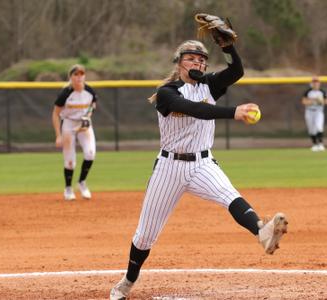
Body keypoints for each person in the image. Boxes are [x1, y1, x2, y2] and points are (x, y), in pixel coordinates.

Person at [110, 40, 288, 300]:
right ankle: (128, 280)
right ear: (179, 62)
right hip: (169, 168)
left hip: (202, 163)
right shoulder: (167, 92)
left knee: (229, 195)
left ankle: (262, 231)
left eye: (202, 59)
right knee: (145, 235)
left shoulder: (209, 85)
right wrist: (233, 112)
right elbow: (195, 109)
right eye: (192, 58)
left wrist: (228, 47)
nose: (198, 63)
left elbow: (236, 71)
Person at [52, 64, 97, 201]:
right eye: (75, 74)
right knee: (70, 161)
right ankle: (68, 189)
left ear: (84, 76)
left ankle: (82, 182)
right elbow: (55, 114)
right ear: (70, 77)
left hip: (84, 125)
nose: (79, 77)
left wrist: (87, 117)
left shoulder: (89, 91)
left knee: (90, 154)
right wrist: (58, 135)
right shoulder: (65, 93)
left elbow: (93, 105)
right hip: (69, 124)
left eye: (81, 74)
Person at [301, 76, 327, 151]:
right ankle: (314, 144)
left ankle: (320, 144)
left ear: (319, 84)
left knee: (319, 127)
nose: (316, 84)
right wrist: (313, 100)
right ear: (312, 84)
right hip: (309, 111)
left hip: (318, 112)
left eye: (317, 82)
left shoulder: (322, 92)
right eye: (314, 82)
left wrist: (320, 101)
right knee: (311, 129)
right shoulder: (308, 92)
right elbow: (304, 102)